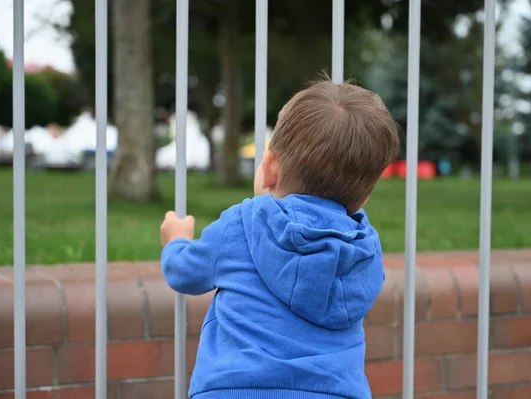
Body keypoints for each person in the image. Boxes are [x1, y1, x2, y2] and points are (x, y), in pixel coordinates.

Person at [160, 79, 400, 399]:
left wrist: (176, 240)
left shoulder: (243, 222)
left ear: (269, 167)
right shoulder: (365, 249)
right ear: (365, 195)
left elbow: (186, 273)